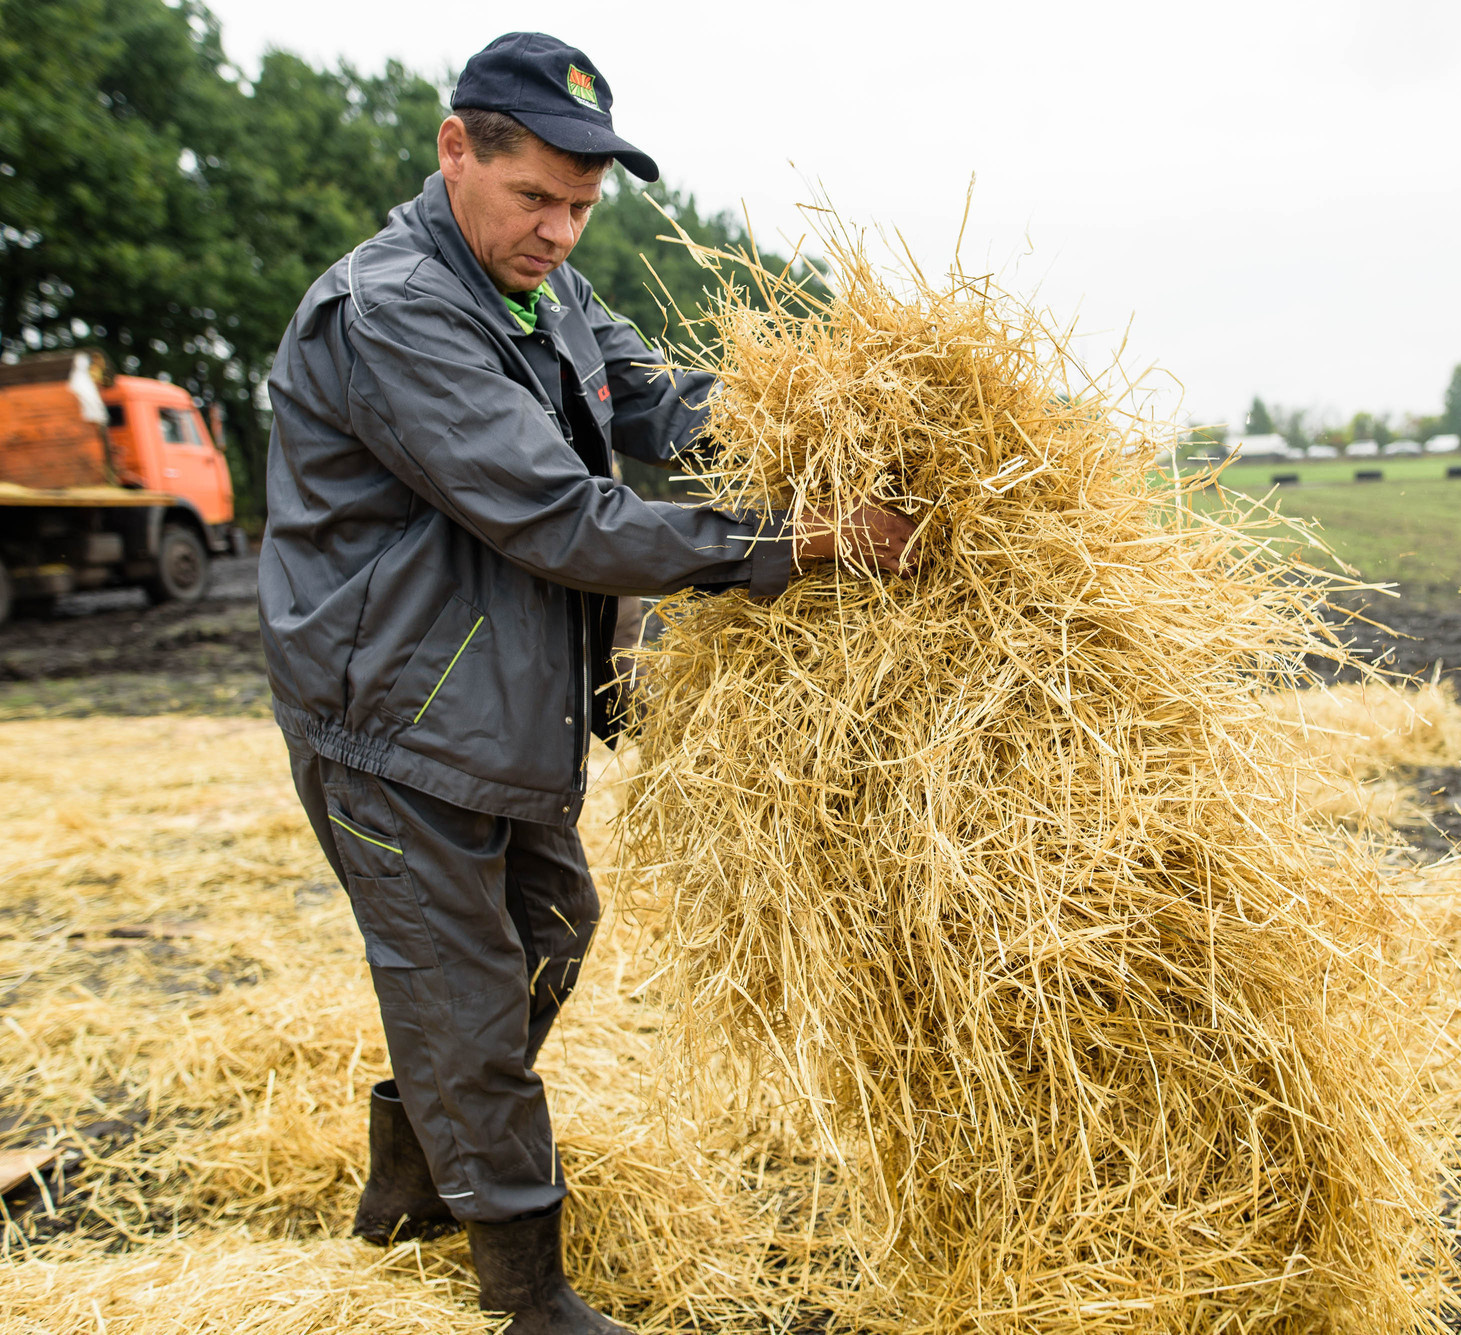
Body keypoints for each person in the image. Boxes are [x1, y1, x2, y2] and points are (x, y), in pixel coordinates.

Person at [257, 32, 912, 1335]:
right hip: (392, 719)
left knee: (549, 937)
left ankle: (407, 1196)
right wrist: (803, 544)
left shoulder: (542, 290)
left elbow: (658, 401)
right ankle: (528, 1294)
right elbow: (562, 518)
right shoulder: (390, 312)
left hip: (503, 704)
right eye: (534, 199)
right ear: (457, 151)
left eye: (580, 207)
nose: (558, 232)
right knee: (472, 1002)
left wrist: (832, 414)